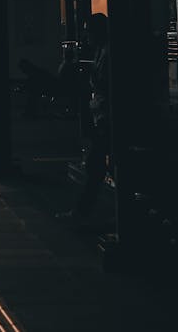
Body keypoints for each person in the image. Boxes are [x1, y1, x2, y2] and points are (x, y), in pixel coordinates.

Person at [59, 13, 110, 225]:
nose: (86, 36)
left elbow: (102, 84)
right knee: (97, 165)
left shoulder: (106, 54)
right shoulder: (101, 52)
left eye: (88, 31)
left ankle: (82, 212)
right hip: (103, 117)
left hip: (108, 117)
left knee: (95, 165)